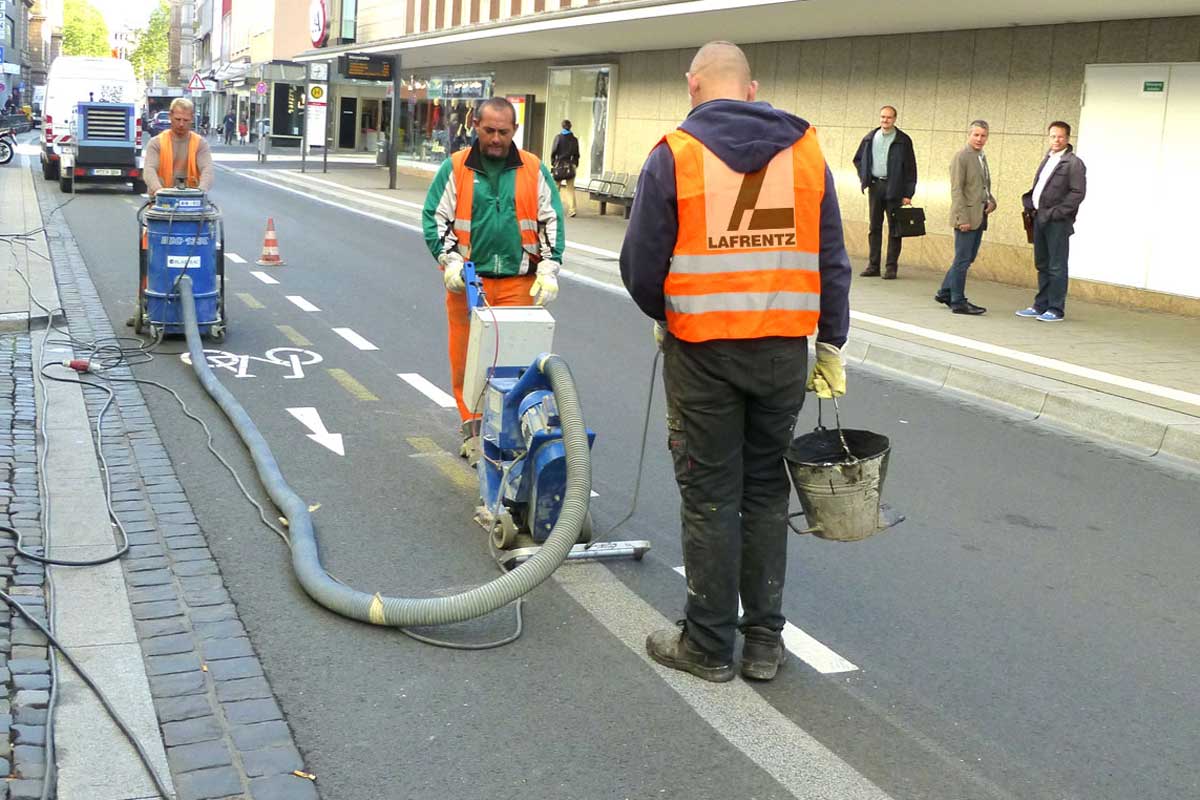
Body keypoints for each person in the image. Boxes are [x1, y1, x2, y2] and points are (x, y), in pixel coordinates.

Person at [620, 41, 851, 683]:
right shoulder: (806, 153)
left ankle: (706, 645)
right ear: (751, 89)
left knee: (711, 497)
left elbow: (640, 266)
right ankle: (763, 645)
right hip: (782, 355)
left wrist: (666, 315)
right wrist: (831, 341)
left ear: (693, 86)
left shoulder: (675, 154)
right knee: (766, 493)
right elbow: (832, 258)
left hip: (704, 357)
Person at [422, 97, 566, 460]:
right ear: (476, 128)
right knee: (468, 363)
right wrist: (450, 262)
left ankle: (513, 434)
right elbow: (434, 220)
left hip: (520, 283)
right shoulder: (456, 168)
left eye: (504, 131)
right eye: (489, 131)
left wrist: (549, 269)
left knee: (518, 364)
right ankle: (472, 430)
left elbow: (551, 221)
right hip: (469, 284)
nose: (497, 139)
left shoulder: (533, 169)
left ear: (514, 130)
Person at [1016, 121, 1087, 322]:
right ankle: (1041, 305)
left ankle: (1056, 309)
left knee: (1057, 265)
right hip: (1039, 218)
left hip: (1057, 222)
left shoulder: (1073, 163)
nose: (1056, 140)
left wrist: (1057, 213)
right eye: (1053, 136)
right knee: (1043, 263)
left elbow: (1077, 193)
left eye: (1060, 137)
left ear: (1068, 138)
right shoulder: (1048, 158)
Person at [935, 120, 995, 315]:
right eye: (976, 135)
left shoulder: (981, 156)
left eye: (983, 135)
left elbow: (981, 186)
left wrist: (991, 200)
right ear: (969, 135)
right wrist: (962, 218)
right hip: (966, 217)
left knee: (968, 257)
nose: (979, 139)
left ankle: (945, 291)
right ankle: (958, 301)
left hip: (980, 214)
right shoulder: (962, 157)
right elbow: (956, 189)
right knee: (962, 260)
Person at [852, 105, 917, 279]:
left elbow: (911, 169)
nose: (885, 120)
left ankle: (891, 267)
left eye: (888, 117)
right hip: (875, 186)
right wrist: (864, 176)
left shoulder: (903, 140)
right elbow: (858, 159)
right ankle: (873, 266)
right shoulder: (870, 138)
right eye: (882, 117)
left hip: (895, 187)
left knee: (895, 228)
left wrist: (908, 193)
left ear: (895, 119)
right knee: (874, 227)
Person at [550, 120, 581, 218]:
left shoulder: (558, 137)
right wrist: (575, 164)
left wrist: (553, 162)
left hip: (559, 165)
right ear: (570, 127)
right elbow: (577, 154)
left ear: (562, 126)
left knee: (555, 188)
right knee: (570, 188)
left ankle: (552, 208)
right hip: (570, 166)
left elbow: (553, 151)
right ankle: (572, 210)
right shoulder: (574, 139)